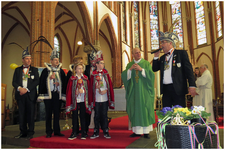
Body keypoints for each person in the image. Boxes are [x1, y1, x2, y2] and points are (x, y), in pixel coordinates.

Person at [152, 30, 196, 108]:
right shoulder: (162, 58)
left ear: (170, 43)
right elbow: (155, 68)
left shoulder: (181, 54)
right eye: (161, 43)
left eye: (163, 42)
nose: (162, 45)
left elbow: (189, 70)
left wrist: (192, 85)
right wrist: (156, 57)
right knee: (166, 113)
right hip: (165, 89)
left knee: (179, 113)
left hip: (178, 89)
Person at [121, 48, 155, 139]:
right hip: (134, 93)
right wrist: (129, 70)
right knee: (135, 110)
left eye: (139, 52)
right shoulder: (130, 65)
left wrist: (142, 70)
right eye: (136, 53)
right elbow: (124, 76)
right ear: (132, 55)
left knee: (145, 109)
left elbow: (151, 76)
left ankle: (146, 132)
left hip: (144, 92)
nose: (139, 54)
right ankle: (137, 132)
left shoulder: (146, 63)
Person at [38, 49, 66, 138]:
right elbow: (42, 82)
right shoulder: (45, 71)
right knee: (48, 113)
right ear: (51, 61)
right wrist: (49, 79)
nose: (57, 61)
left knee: (57, 113)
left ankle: (57, 131)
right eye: (55, 60)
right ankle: (49, 131)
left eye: (58, 60)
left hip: (57, 94)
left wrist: (59, 84)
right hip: (48, 95)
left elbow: (64, 83)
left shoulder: (61, 71)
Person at [12, 48, 39, 140]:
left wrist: (26, 89)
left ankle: (30, 133)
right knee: (21, 114)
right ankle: (22, 132)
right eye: (27, 59)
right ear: (23, 60)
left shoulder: (34, 70)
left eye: (30, 59)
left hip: (30, 95)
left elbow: (36, 81)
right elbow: (14, 82)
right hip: (20, 95)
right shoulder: (18, 70)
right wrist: (20, 89)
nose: (29, 60)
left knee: (30, 114)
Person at [89, 51, 115, 139]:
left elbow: (109, 86)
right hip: (96, 98)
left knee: (104, 114)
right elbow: (91, 86)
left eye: (103, 63)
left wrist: (106, 90)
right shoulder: (93, 74)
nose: (102, 65)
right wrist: (96, 87)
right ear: (96, 64)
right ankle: (96, 131)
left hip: (104, 97)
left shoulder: (106, 74)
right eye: (101, 63)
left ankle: (105, 131)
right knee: (96, 115)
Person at [66, 62, 91, 140]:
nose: (80, 70)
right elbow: (69, 90)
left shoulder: (85, 78)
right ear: (75, 70)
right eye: (79, 68)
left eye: (81, 68)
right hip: (75, 100)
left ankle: (84, 132)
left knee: (83, 116)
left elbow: (88, 89)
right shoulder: (72, 79)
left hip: (83, 100)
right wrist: (75, 92)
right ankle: (74, 132)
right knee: (75, 116)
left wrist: (82, 91)